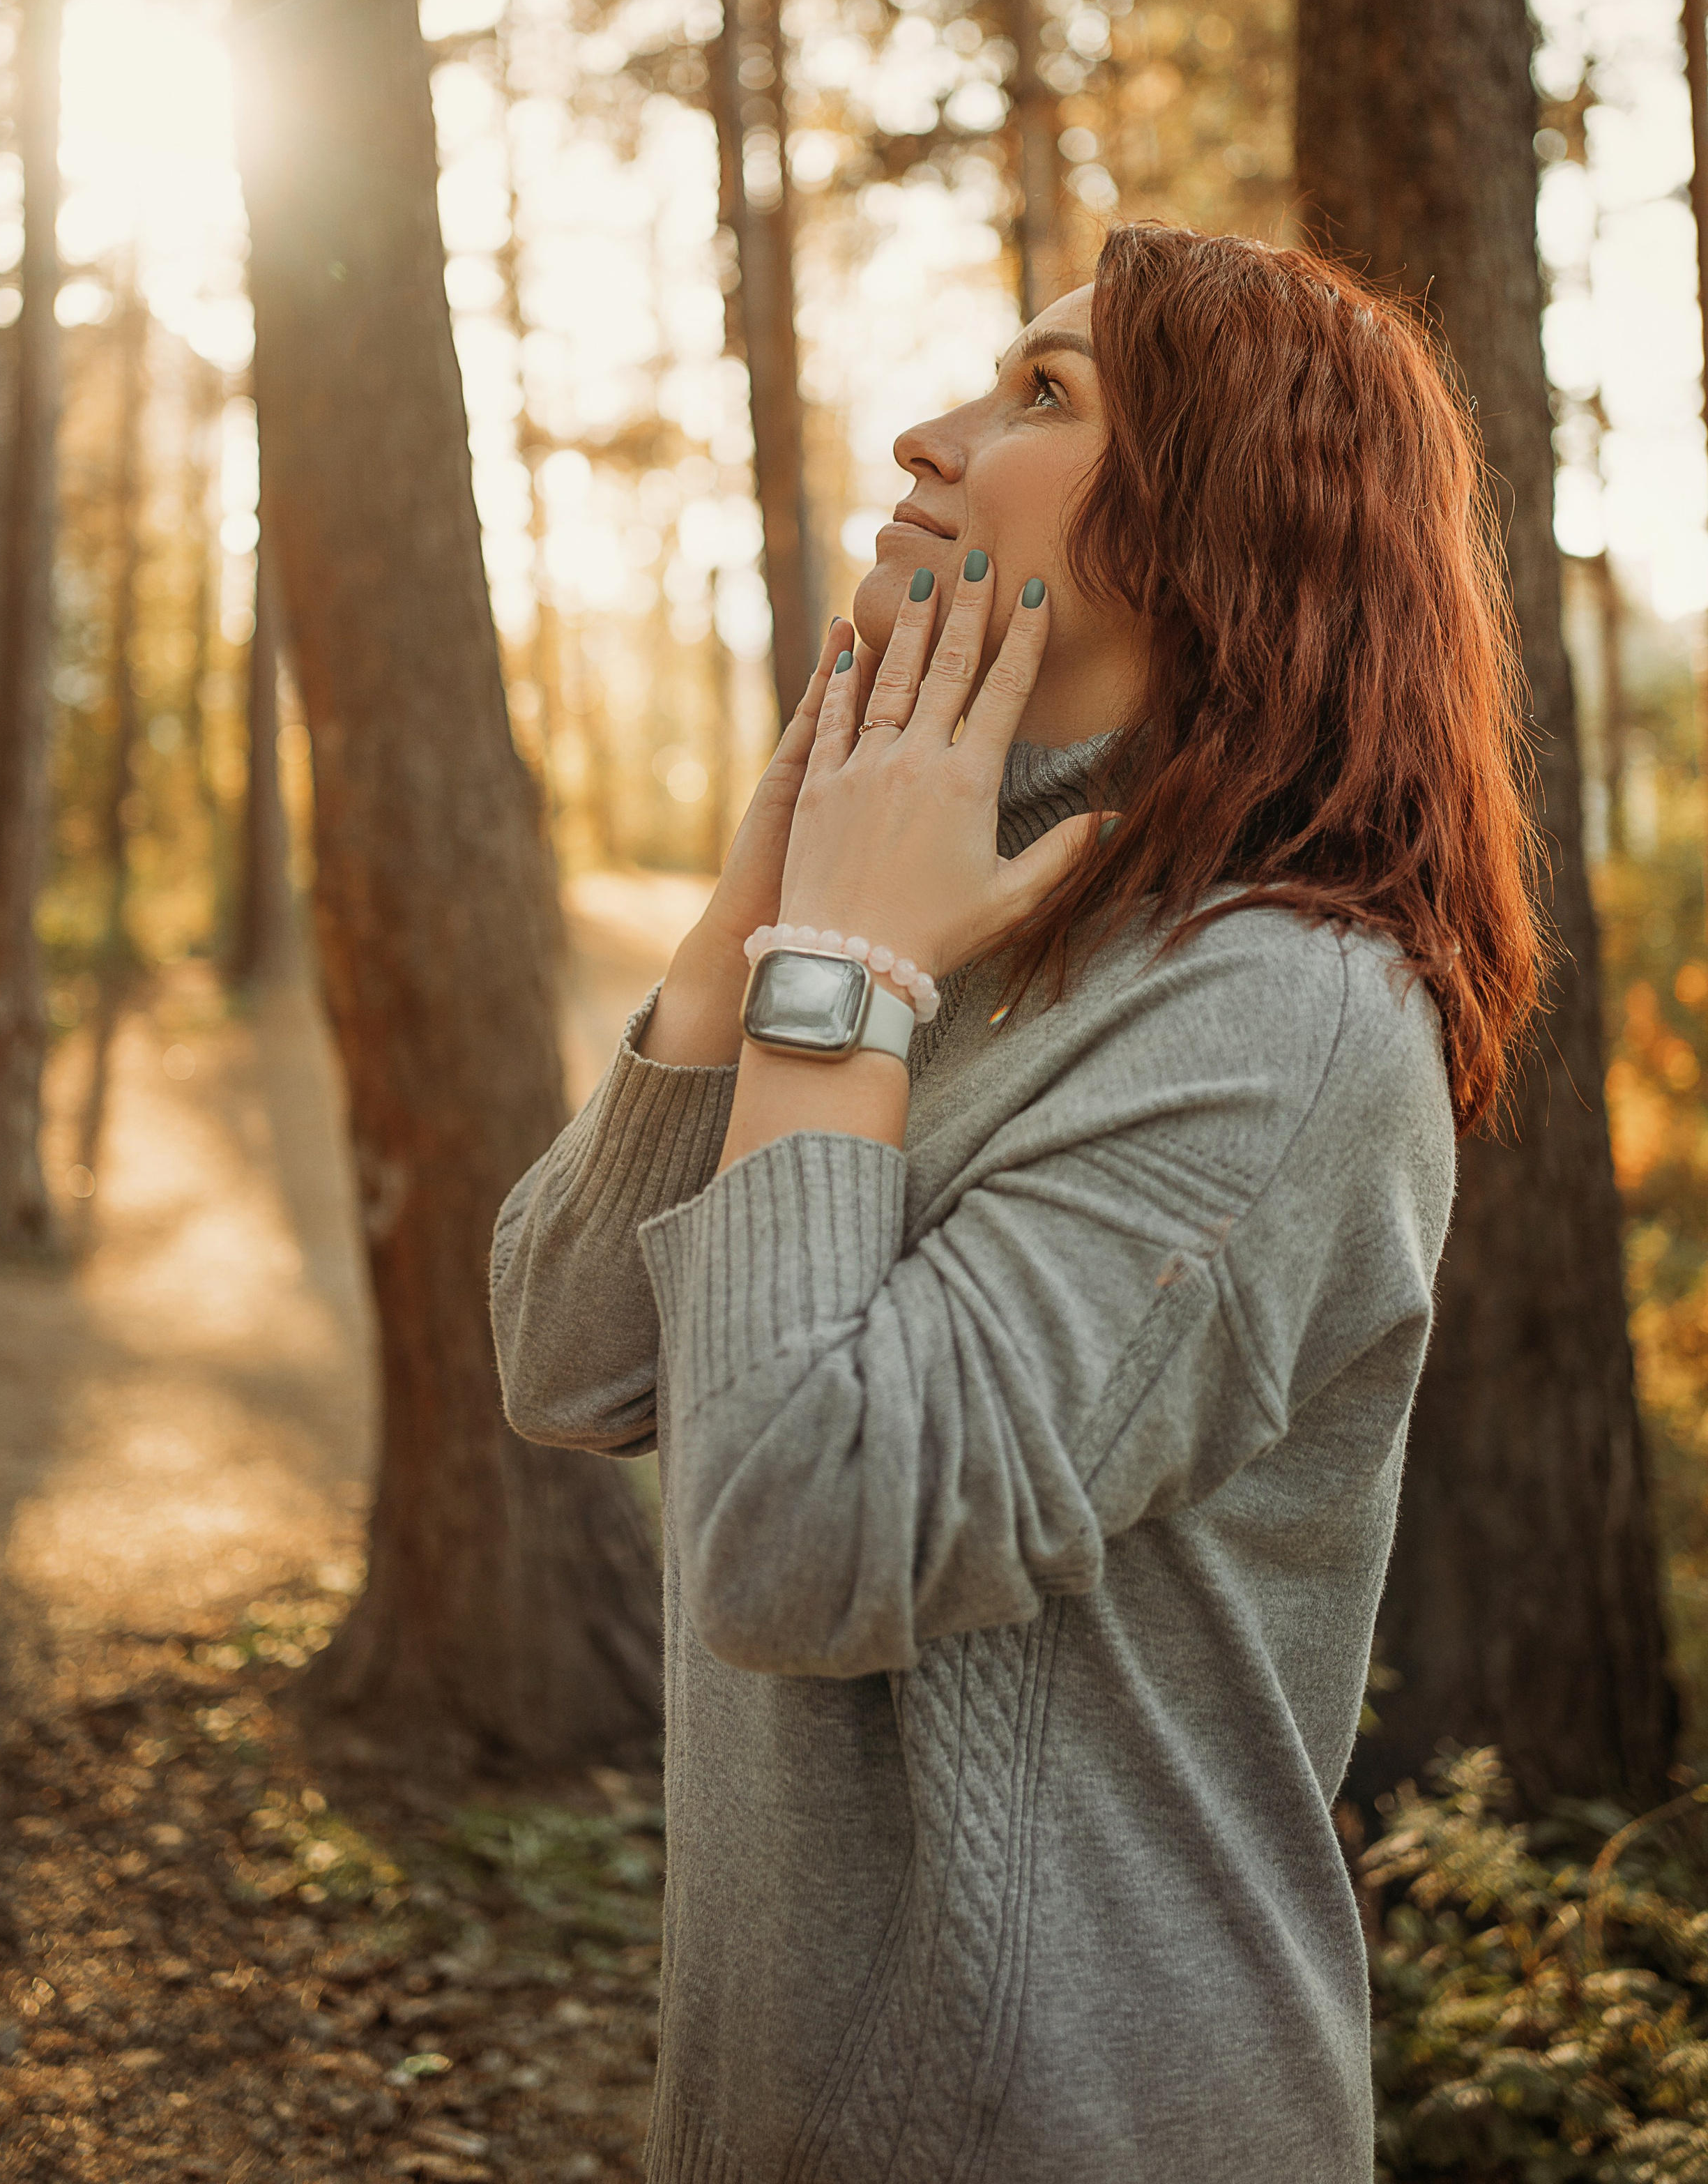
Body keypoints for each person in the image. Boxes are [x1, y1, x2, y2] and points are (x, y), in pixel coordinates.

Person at [489, 222, 1542, 2184]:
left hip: (1079, 2128)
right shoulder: (949, 915)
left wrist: (841, 970)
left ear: (1229, 525)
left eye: (1044, 394)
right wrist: (755, 921)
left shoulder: (1283, 1013)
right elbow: (568, 1360)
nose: (927, 435)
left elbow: (798, 1546)